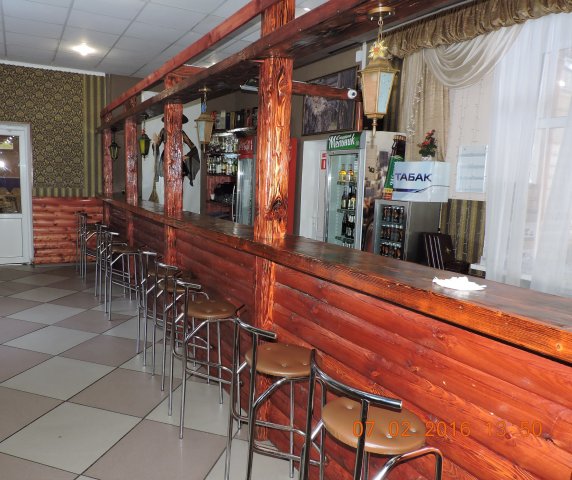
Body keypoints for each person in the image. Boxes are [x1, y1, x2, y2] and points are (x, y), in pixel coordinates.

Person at [154, 114, 201, 186]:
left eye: (177, 121)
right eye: (172, 120)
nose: (175, 123)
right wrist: (154, 145)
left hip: (178, 162)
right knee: (169, 185)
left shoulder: (181, 133)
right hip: (166, 161)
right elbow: (156, 146)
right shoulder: (164, 131)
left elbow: (194, 149)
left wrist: (186, 156)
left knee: (178, 185)